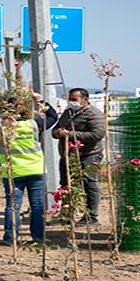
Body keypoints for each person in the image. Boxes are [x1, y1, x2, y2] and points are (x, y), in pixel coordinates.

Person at [0, 93, 58, 243]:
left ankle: (10, 237)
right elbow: (53, 117)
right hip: (36, 170)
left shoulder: (1, 128)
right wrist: (40, 101)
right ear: (24, 110)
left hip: (13, 171)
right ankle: (38, 236)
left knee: (13, 206)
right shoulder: (34, 125)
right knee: (37, 205)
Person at [51, 88, 105, 226]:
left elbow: (97, 135)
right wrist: (57, 133)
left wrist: (70, 134)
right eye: (70, 99)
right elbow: (56, 128)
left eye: (74, 100)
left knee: (89, 184)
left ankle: (91, 216)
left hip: (88, 155)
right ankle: (67, 215)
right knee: (66, 184)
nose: (72, 102)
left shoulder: (94, 114)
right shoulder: (67, 113)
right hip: (67, 155)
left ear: (85, 100)